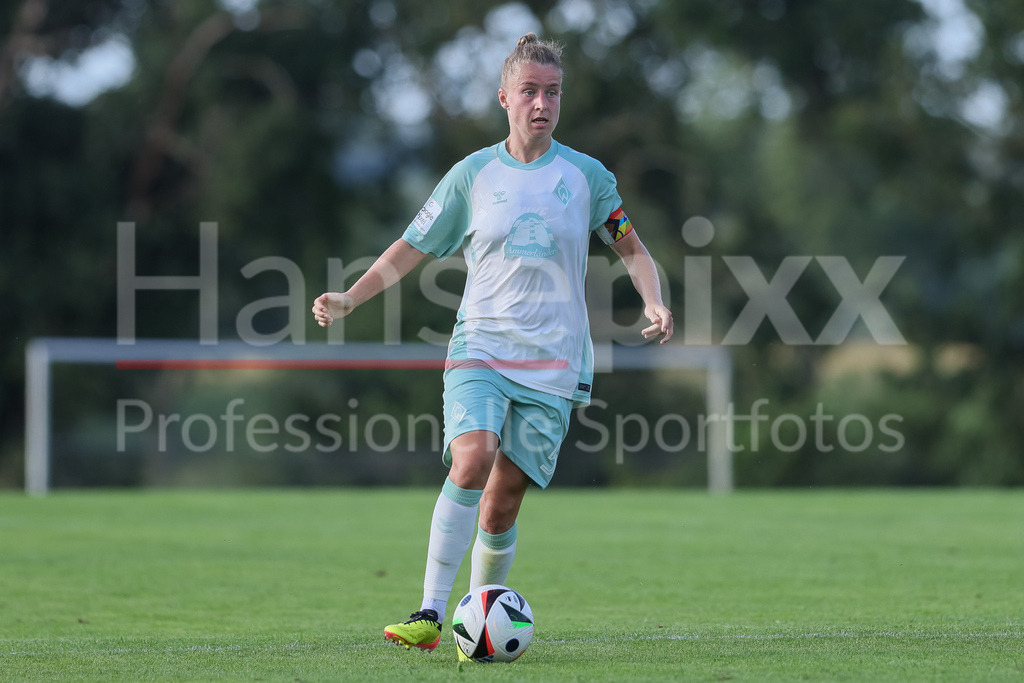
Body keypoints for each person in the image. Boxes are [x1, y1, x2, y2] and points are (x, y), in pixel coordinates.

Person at [311, 33, 673, 653]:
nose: (541, 103)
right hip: (480, 347)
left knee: (502, 504)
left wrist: (654, 299)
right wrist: (351, 296)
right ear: (504, 96)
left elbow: (633, 250)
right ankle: (429, 612)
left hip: (554, 364)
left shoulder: (587, 178)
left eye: (552, 92)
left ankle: (479, 620)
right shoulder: (472, 175)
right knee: (472, 459)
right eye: (529, 91)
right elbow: (410, 247)